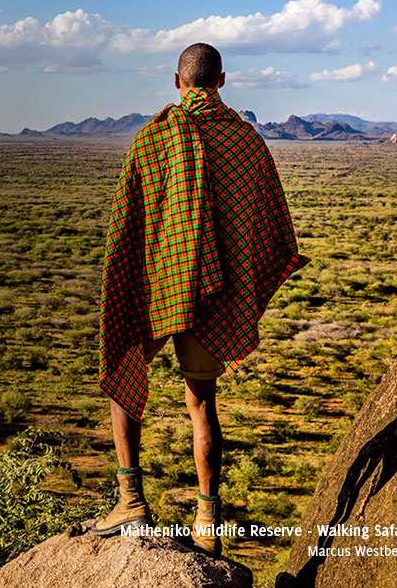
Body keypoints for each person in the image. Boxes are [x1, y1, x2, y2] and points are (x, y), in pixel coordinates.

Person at [89, 43, 309, 556]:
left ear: (177, 81)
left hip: (160, 285)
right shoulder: (247, 142)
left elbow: (127, 228)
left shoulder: (151, 138)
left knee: (124, 374)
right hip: (218, 294)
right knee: (202, 405)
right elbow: (268, 223)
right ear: (223, 81)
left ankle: (131, 502)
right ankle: (207, 520)